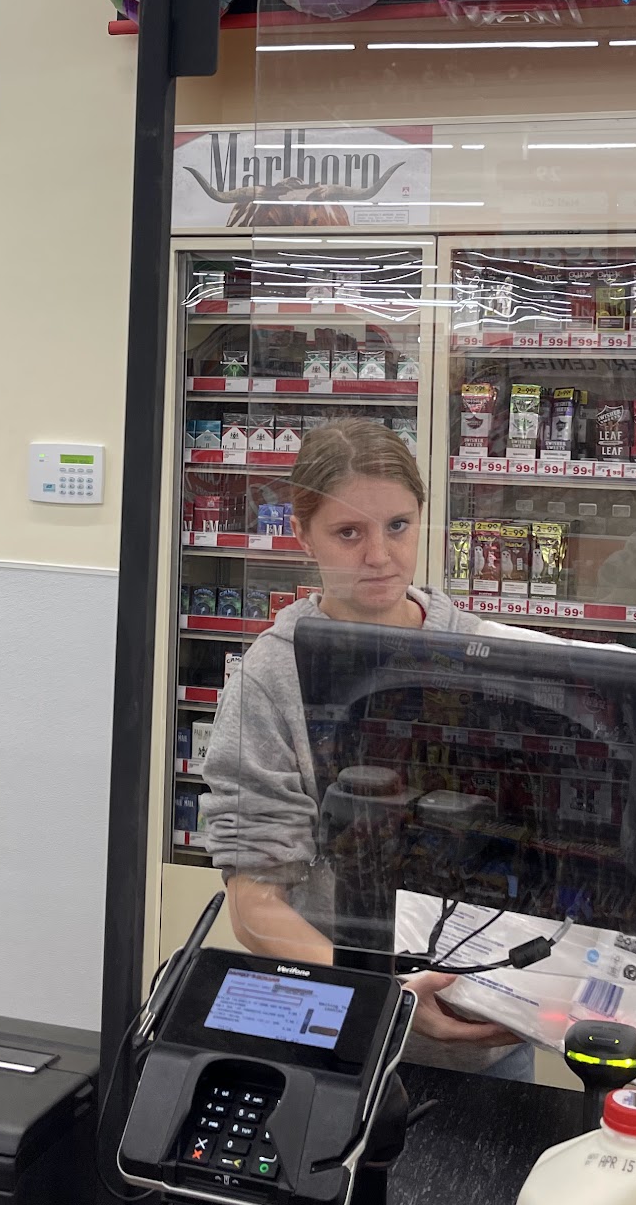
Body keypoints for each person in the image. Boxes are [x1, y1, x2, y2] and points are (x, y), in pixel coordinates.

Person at [201, 417, 531, 1076]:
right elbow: (254, 905)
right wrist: (385, 999)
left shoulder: (489, 654)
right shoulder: (271, 678)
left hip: (489, 1041)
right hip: (340, 1040)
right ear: (303, 535)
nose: (380, 555)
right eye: (349, 533)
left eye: (398, 526)